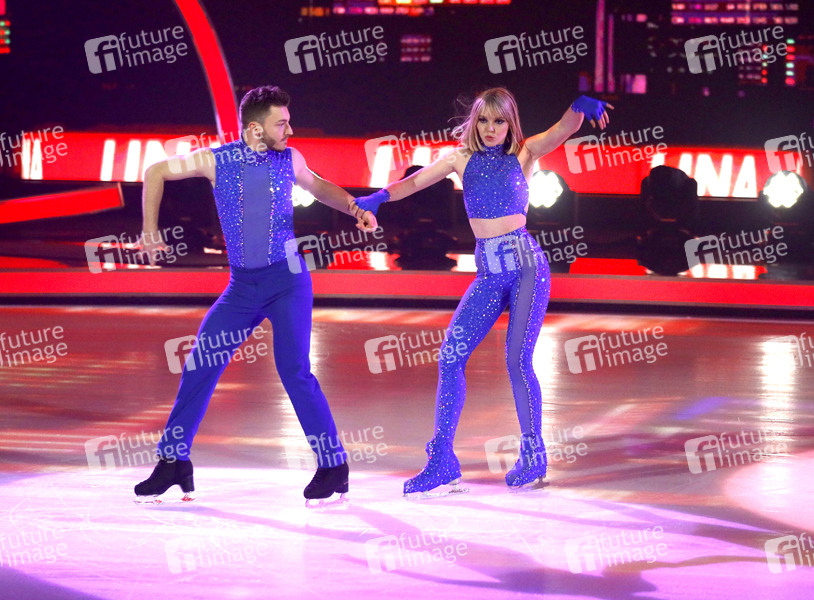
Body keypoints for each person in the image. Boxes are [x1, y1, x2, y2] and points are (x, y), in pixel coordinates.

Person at [353, 89, 612, 497]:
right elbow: (414, 182)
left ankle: (533, 455)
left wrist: (578, 107)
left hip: (526, 267)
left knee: (517, 360)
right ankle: (442, 461)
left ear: (510, 124)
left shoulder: (525, 153)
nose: (491, 129)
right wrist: (379, 197)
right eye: (484, 121)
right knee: (450, 356)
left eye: (499, 121)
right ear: (475, 123)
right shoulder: (460, 158)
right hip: (490, 272)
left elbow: (563, 130)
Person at [134, 85, 377, 506]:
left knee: (295, 371)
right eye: (281, 124)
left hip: (288, 281)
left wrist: (355, 207)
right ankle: (173, 462)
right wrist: (150, 231)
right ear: (254, 129)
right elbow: (155, 172)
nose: (290, 130)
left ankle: (333, 465)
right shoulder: (216, 160)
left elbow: (321, 187)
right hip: (241, 288)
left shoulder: (290, 159)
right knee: (200, 365)